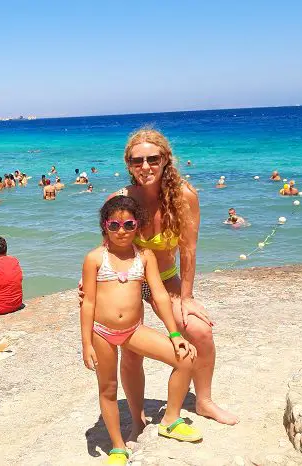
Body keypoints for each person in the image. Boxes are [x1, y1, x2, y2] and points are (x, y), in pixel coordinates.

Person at [87, 127, 237, 431]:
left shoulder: (184, 196)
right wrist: (90, 282)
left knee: (200, 331)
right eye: (137, 161)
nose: (145, 167)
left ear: (165, 159)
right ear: (128, 164)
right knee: (130, 351)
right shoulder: (121, 199)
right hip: (126, 280)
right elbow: (109, 246)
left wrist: (187, 297)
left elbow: (189, 250)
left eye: (153, 159)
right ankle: (137, 418)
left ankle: (204, 401)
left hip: (165, 278)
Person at [81, 196, 201, 464]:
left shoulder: (145, 257)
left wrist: (175, 334)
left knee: (186, 358)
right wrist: (86, 343)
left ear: (138, 226)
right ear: (104, 226)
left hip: (134, 330)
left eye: (128, 224)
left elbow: (158, 295)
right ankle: (118, 447)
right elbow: (88, 302)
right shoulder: (94, 258)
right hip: (102, 333)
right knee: (108, 388)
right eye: (114, 225)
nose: (121, 230)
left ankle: (170, 420)